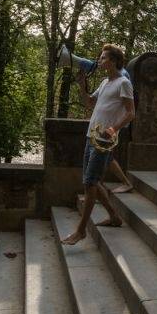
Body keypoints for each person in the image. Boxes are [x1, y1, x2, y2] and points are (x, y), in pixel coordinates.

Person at [62, 44, 135, 245]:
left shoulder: (123, 83)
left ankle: (81, 230)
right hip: (91, 136)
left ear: (113, 61)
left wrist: (113, 129)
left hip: (104, 140)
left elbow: (131, 113)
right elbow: (89, 103)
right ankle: (114, 216)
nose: (99, 61)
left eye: (103, 58)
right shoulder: (104, 82)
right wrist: (81, 84)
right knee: (91, 182)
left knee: (90, 182)